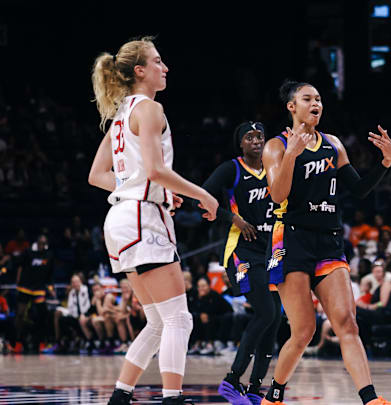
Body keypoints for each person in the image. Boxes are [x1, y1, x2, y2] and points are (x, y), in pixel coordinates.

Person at [88, 36, 218, 405]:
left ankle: (120, 396)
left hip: (121, 219)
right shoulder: (149, 109)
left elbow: (98, 174)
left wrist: (150, 189)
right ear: (140, 70)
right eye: (158, 61)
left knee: (159, 321)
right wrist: (203, 195)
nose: (166, 67)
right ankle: (172, 398)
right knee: (180, 319)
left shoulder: (120, 115)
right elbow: (158, 170)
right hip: (143, 219)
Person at [261, 80, 391, 405]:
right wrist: (292, 156)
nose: (316, 103)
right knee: (303, 332)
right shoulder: (276, 145)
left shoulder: (333, 144)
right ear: (292, 106)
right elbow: (277, 195)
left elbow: (357, 190)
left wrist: (385, 163)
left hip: (328, 241)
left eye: (319, 99)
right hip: (292, 240)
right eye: (307, 98)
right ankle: (274, 396)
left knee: (347, 323)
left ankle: (371, 400)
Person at [200, 120, 283, 405]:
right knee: (265, 313)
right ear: (241, 143)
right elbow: (201, 196)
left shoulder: (275, 168)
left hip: (273, 252)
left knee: (275, 320)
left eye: (260, 136)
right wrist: (232, 217)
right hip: (242, 253)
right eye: (249, 137)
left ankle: (254, 390)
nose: (256, 141)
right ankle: (232, 381)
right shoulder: (231, 169)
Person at [15, 235, 54, 354]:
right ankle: (17, 342)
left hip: (39, 289)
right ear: (37, 243)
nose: (42, 245)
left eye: (44, 243)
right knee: (20, 315)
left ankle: (41, 342)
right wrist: (18, 282)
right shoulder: (28, 252)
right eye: (40, 243)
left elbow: (50, 273)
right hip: (25, 287)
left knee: (42, 315)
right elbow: (20, 267)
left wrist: (51, 287)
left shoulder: (49, 255)